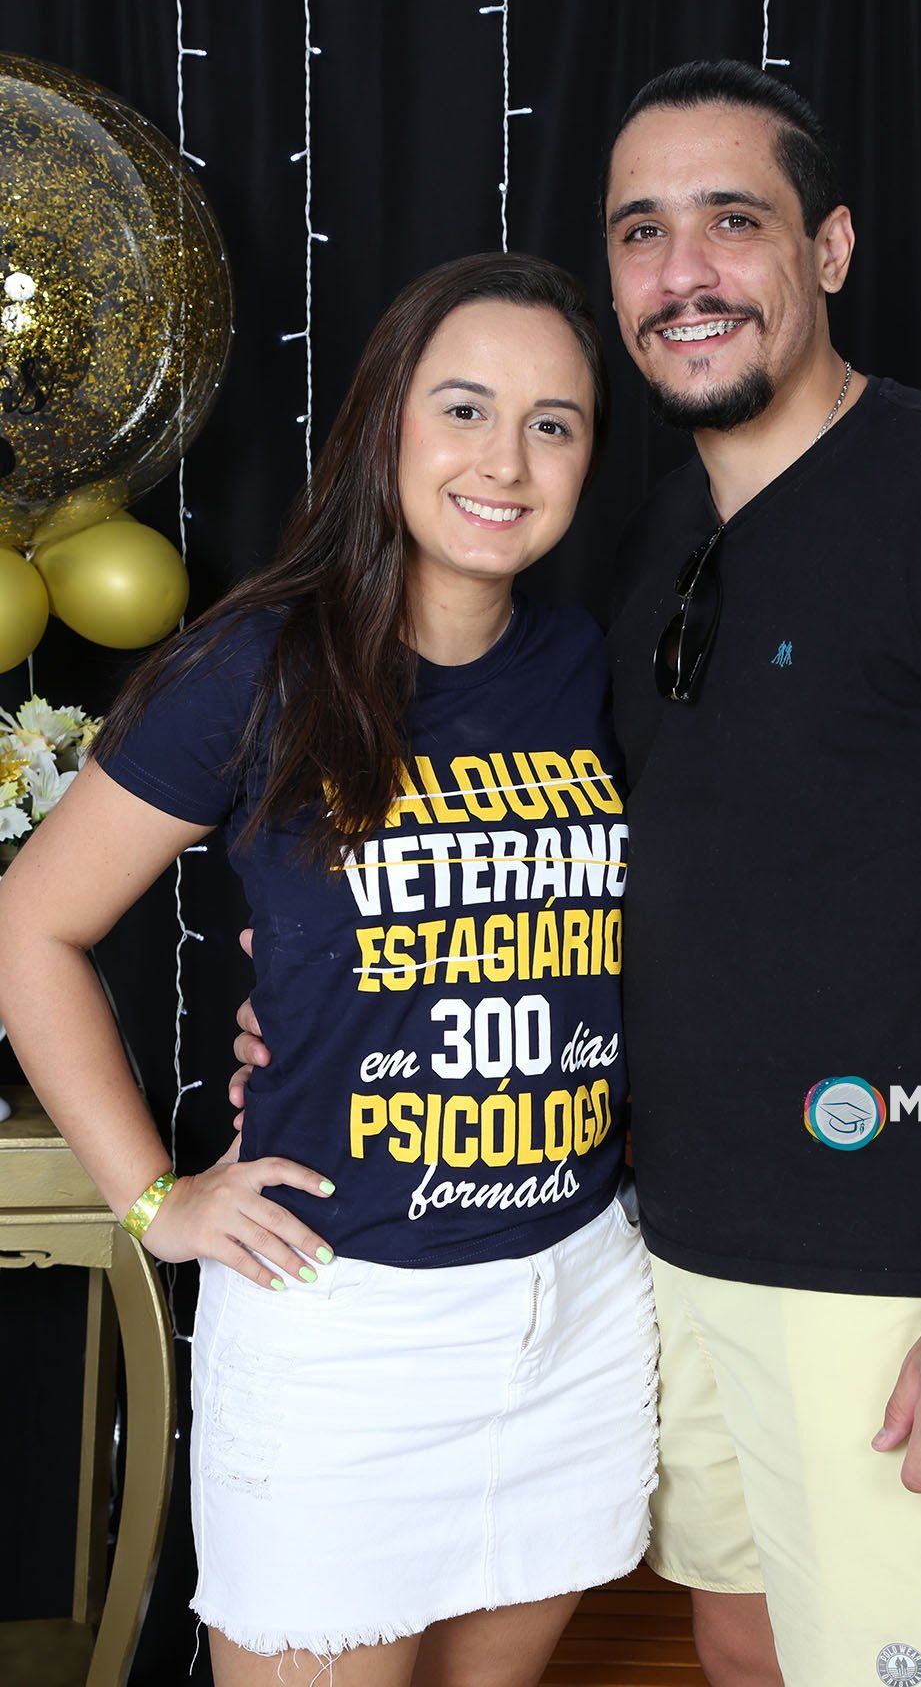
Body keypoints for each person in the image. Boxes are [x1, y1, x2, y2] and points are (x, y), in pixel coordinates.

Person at [234, 63, 921, 1686]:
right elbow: (582, 874)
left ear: (830, 248)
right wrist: (334, 1008)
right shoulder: (645, 539)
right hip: (663, 1252)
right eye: (640, 233)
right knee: (740, 1654)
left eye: (732, 222)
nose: (683, 272)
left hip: (900, 1275)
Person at [0, 252, 659, 1687]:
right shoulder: (256, 666)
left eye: (553, 424)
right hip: (345, 1324)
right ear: (387, 425)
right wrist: (155, 1198)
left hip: (578, 1302)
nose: (506, 460)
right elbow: (26, 927)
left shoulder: (586, 664)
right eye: (465, 409)